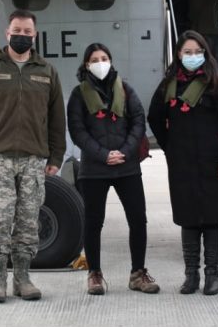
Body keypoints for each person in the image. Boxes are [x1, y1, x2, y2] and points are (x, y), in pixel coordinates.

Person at [0, 10, 66, 304]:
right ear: (8, 33)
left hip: (33, 159)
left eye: (27, 31)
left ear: (34, 35)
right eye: (17, 30)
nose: (22, 35)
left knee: (28, 221)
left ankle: (23, 278)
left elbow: (57, 118)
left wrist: (55, 156)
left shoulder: (46, 71)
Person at [148, 30, 218, 296]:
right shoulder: (168, 85)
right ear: (178, 55)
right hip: (183, 162)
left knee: (212, 219)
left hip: (213, 162)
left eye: (198, 52)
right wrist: (170, 146)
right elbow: (155, 117)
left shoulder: (216, 84)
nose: (192, 57)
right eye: (187, 52)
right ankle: (191, 275)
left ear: (205, 54)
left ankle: (213, 274)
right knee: (188, 220)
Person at [67, 43, 159, 295]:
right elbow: (78, 131)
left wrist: (125, 152)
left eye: (104, 57)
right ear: (87, 65)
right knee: (93, 222)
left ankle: (138, 273)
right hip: (94, 169)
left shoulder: (126, 90)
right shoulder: (78, 95)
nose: (100, 62)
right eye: (95, 59)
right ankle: (94, 274)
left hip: (126, 167)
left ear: (111, 60)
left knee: (138, 219)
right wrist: (103, 155)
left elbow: (138, 121)